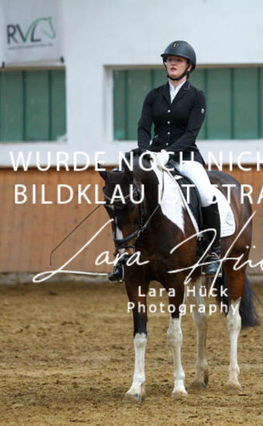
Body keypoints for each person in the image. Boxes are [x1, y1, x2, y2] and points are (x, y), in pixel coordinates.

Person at [109, 40, 221, 282]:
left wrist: (169, 153)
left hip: (185, 156)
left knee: (205, 193)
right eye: (170, 60)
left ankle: (213, 252)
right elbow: (143, 127)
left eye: (178, 60)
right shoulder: (154, 95)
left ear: (189, 66)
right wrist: (144, 151)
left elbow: (191, 133)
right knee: (121, 184)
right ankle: (121, 255)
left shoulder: (197, 97)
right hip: (153, 155)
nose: (173, 63)